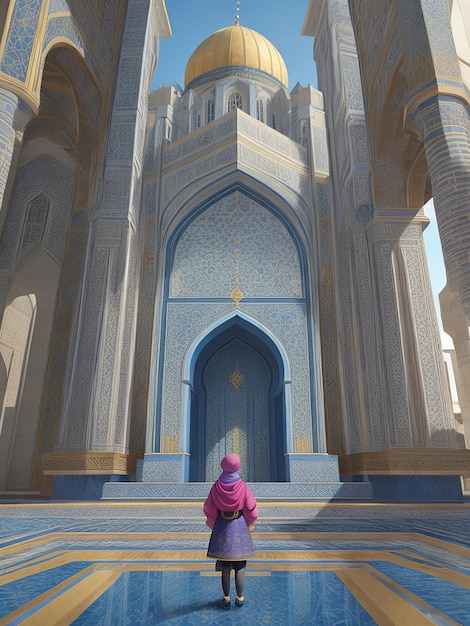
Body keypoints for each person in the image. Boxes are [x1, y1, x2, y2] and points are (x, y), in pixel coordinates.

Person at [203, 453, 258, 609]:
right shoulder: (242, 486)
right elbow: (251, 508)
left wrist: (214, 522)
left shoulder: (216, 486)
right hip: (239, 526)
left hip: (222, 527)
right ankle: (240, 597)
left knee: (225, 565)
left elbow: (209, 508)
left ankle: (226, 598)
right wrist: (249, 522)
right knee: (240, 564)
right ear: (238, 466)